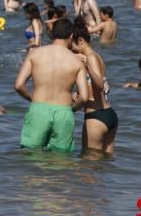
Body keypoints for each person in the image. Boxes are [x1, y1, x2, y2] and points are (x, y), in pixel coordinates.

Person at [14, 18, 91, 152]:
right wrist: (71, 110)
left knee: (31, 155)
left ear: (52, 33)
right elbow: (84, 97)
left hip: (39, 108)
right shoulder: (77, 61)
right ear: (71, 36)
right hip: (64, 111)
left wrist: (33, 99)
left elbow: (19, 85)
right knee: (61, 161)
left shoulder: (35, 54)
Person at [71, 21, 117, 155]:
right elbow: (95, 86)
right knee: (106, 164)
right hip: (109, 114)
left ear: (80, 41)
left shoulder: (90, 58)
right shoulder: (98, 57)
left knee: (88, 169)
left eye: (72, 45)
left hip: (96, 117)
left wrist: (88, 67)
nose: (71, 49)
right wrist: (79, 93)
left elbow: (100, 85)